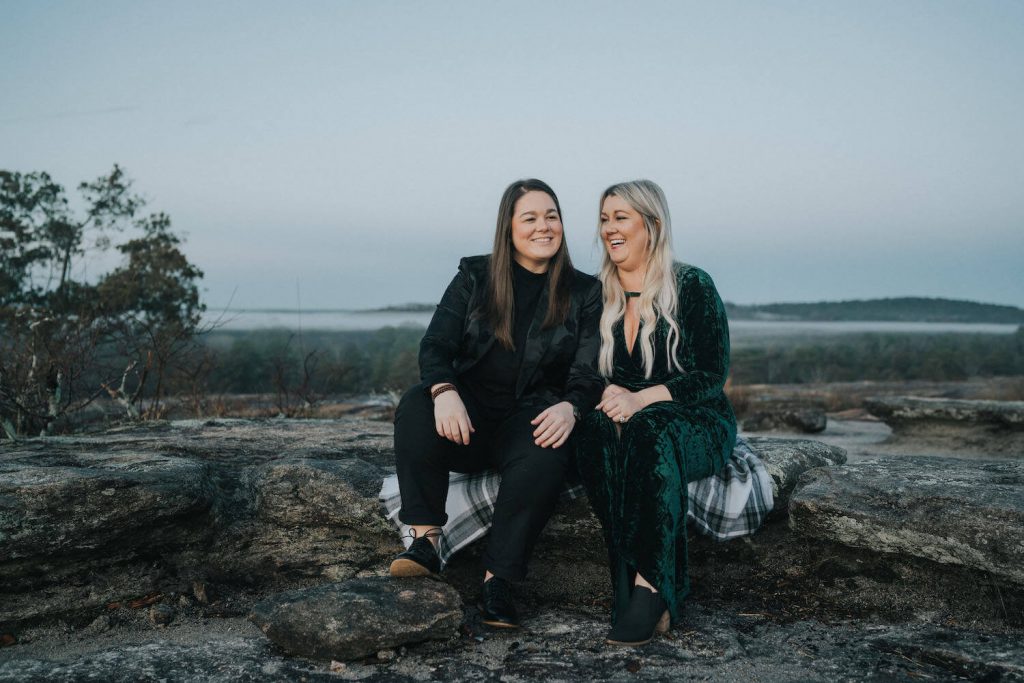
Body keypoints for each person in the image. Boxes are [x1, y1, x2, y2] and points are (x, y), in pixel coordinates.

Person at [390, 178, 603, 629]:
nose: (543, 226)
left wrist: (572, 407)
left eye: (552, 216)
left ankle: (497, 581)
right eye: (530, 218)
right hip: (464, 420)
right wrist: (445, 393)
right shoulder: (475, 275)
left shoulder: (585, 292)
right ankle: (425, 544)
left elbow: (587, 371)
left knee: (550, 448)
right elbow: (435, 346)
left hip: (528, 418)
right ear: (509, 228)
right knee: (414, 405)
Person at [575, 179, 737, 646]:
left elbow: (711, 373)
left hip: (696, 416)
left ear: (652, 224)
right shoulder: (595, 294)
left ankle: (654, 585)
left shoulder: (692, 284)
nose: (609, 228)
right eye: (604, 219)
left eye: (620, 217)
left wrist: (642, 398)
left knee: (647, 430)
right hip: (623, 413)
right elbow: (581, 370)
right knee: (593, 433)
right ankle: (624, 579)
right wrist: (607, 397)